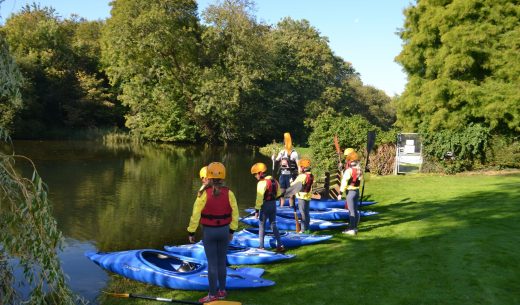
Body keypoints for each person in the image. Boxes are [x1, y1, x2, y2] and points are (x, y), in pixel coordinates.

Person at [187, 162, 239, 302]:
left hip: (209, 232)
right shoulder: (230, 193)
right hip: (224, 231)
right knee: (222, 262)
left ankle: (212, 294)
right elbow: (235, 214)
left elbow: (195, 214)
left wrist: (191, 232)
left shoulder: (202, 193)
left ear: (208, 177)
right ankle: (222, 291)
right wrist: (232, 230)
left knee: (212, 263)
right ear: (223, 177)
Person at [250, 162, 286, 252]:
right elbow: (278, 194)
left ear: (260, 173)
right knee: (273, 224)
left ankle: (261, 247)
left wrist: (256, 211)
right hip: (273, 204)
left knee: (261, 225)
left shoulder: (261, 183)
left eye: (255, 175)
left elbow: (259, 198)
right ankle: (280, 245)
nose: (255, 177)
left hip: (265, 206)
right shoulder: (274, 181)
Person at [273, 132, 300, 207]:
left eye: (286, 143)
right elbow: (276, 161)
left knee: (291, 194)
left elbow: (299, 166)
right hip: (283, 175)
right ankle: (281, 207)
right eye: (284, 143)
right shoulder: (281, 152)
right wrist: (273, 158)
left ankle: (291, 206)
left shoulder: (294, 154)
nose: (285, 145)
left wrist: (300, 175)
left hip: (291, 176)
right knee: (282, 193)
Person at [338, 157, 363, 236]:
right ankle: (354, 227)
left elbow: (344, 182)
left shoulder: (349, 171)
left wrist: (340, 193)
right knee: (354, 210)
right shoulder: (360, 170)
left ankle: (352, 229)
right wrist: (343, 171)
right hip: (356, 192)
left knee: (351, 211)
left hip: (350, 193)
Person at [292, 158, 314, 233]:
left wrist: (291, 181)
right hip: (307, 196)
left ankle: (303, 230)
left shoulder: (302, 176)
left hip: (301, 197)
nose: (299, 168)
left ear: (303, 168)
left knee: (303, 214)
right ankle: (307, 228)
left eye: (300, 166)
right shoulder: (311, 175)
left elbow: (293, 185)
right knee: (306, 213)